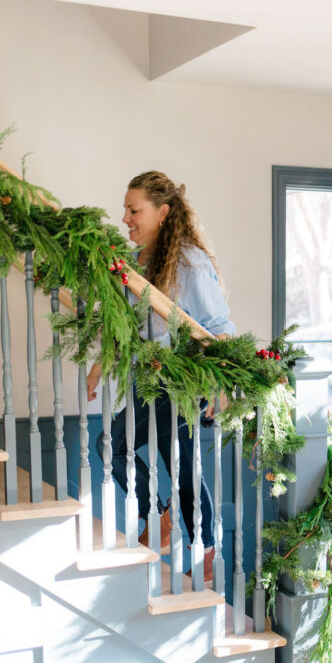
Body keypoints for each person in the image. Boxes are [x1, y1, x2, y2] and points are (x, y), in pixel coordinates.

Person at [86, 172, 234, 580]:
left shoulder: (189, 262)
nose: (126, 219)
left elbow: (219, 325)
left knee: (183, 464)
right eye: (126, 211)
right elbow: (126, 327)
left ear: (163, 212)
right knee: (110, 446)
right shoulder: (133, 265)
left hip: (183, 381)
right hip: (147, 380)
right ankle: (162, 515)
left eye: (135, 211)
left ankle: (203, 546)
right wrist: (100, 365)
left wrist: (219, 382)